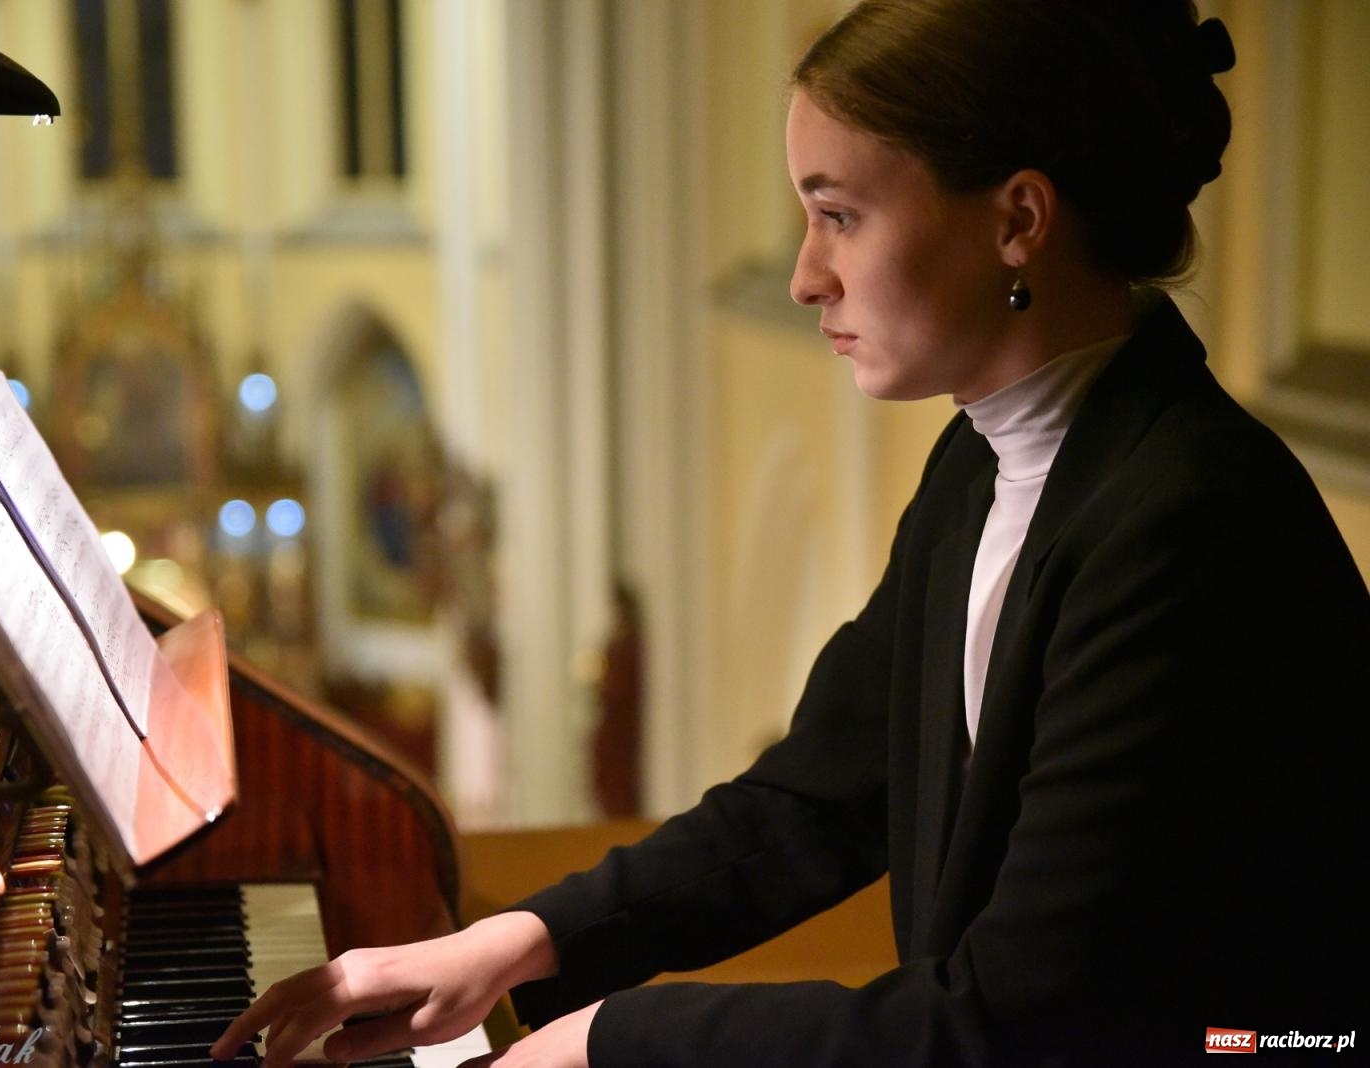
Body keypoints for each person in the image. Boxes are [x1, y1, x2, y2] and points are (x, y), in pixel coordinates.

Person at [213, 1, 1370, 1063]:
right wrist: (520, 939)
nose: (808, 275)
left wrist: (610, 1041)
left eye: (839, 215)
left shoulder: (1182, 524)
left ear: (1018, 219)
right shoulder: (983, 459)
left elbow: (1016, 1023)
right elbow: (811, 801)